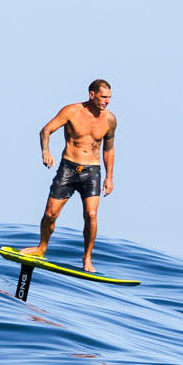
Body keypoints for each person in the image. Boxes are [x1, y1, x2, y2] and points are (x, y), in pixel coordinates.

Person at [22, 79, 115, 272]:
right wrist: (46, 151)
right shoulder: (71, 111)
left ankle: (87, 259)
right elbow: (46, 130)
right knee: (50, 214)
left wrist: (109, 177)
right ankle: (41, 247)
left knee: (91, 214)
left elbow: (109, 150)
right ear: (92, 94)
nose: (107, 101)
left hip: (92, 171)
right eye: (103, 97)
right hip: (68, 168)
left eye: (109, 98)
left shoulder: (110, 120)